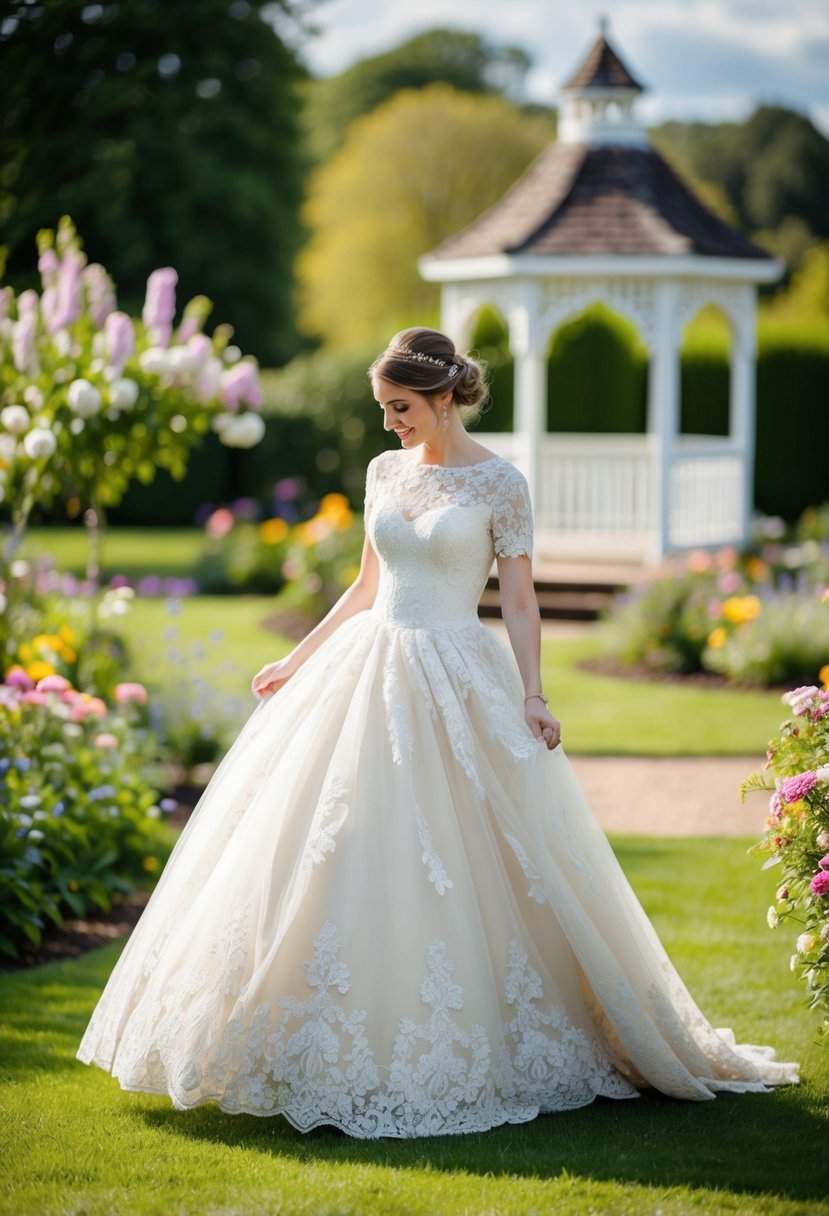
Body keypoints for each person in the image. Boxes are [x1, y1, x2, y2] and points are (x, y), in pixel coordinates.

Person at [76, 326, 799, 1138]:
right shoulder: (385, 471)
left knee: (475, 856)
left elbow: (519, 602)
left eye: (401, 407)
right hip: (365, 666)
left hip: (459, 671)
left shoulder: (501, 485)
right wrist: (295, 657)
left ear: (445, 396)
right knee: (333, 838)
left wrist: (532, 695)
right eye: (384, 409)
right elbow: (363, 585)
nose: (390, 424)